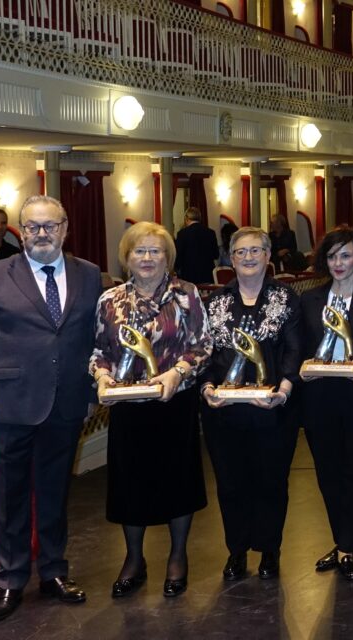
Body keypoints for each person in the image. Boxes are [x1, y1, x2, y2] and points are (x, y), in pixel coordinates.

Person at [0, 195, 103, 623]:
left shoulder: (90, 275)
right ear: (21, 231)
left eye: (50, 225)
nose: (42, 233)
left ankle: (55, 573)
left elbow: (97, 337)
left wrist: (98, 387)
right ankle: (10, 580)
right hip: (10, 406)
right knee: (12, 497)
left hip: (65, 405)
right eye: (33, 227)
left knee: (57, 495)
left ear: (64, 229)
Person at [89, 222, 211, 599]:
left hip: (175, 403)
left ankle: (177, 556)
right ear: (126, 257)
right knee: (130, 485)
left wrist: (178, 373)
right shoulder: (109, 300)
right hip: (129, 408)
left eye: (155, 251)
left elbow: (203, 345)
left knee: (179, 481)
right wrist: (101, 377)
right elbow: (99, 351)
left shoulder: (187, 295)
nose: (147, 258)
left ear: (167, 257)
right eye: (139, 251)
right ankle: (134, 560)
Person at [199, 227, 302, 582]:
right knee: (230, 483)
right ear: (230, 257)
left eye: (255, 250)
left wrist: (284, 389)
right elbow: (206, 354)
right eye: (240, 251)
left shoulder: (287, 299)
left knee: (272, 482)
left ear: (268, 256)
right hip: (224, 414)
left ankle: (270, 550)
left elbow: (294, 350)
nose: (247, 257)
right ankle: (237, 550)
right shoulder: (215, 302)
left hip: (273, 411)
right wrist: (208, 387)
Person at [299, 229, 353, 582]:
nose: (338, 263)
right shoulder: (309, 300)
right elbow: (299, 346)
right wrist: (301, 367)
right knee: (329, 476)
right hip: (321, 398)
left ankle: (349, 546)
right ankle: (342, 541)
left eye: (345, 255)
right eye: (332, 256)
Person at [173, 206, 220, 284]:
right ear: (199, 218)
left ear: (187, 219)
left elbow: (179, 256)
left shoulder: (182, 234)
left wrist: (176, 269)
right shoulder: (210, 232)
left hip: (189, 275)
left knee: (190, 296)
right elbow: (216, 254)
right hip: (207, 274)